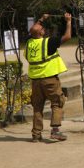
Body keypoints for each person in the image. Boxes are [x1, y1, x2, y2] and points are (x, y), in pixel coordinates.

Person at [26, 12, 72, 141]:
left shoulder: (29, 43)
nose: (44, 29)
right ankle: (55, 131)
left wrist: (41, 19)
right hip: (50, 80)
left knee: (37, 107)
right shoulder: (48, 43)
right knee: (58, 102)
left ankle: (36, 135)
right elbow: (67, 36)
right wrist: (68, 22)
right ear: (41, 33)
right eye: (42, 28)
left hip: (35, 81)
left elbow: (32, 30)